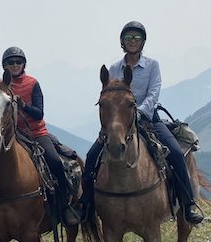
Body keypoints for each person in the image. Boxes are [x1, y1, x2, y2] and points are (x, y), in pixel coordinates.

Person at [80, 21, 204, 225]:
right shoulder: (113, 68)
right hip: (119, 121)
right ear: (122, 41)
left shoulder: (152, 66)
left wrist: (139, 113)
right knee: (92, 156)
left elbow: (154, 93)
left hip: (148, 120)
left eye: (137, 38)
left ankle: (188, 204)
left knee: (174, 153)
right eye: (129, 38)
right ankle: (86, 204)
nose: (132, 41)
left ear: (143, 42)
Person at [0, 46, 79, 231]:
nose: (14, 65)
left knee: (55, 162)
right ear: (4, 66)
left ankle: (65, 207)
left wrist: (23, 105)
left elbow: (39, 114)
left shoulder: (32, 84)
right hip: (12, 135)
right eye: (10, 63)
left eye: (18, 62)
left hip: (36, 134)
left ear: (24, 64)